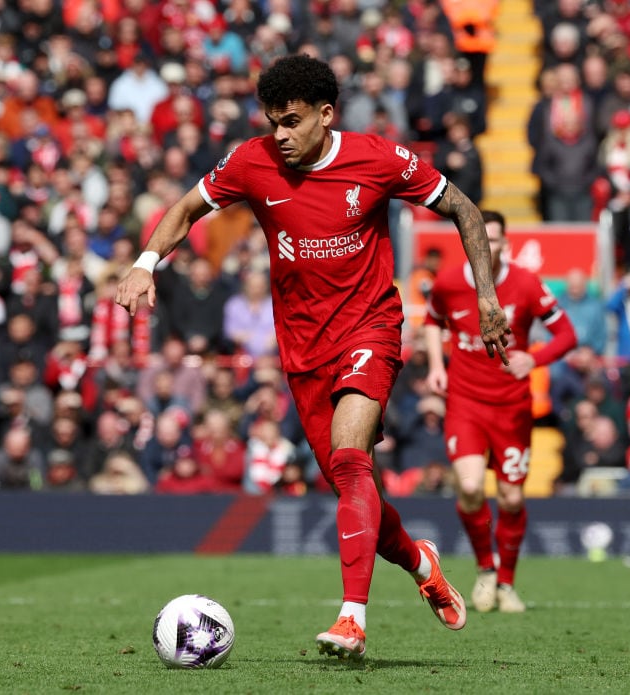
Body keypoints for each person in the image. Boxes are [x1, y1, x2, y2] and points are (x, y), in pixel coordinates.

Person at [115, 54, 511, 662]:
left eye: (292, 122)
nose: (281, 134)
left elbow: (464, 208)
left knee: (353, 462)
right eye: (273, 121)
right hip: (302, 349)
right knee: (353, 491)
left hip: (370, 329)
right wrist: (145, 264)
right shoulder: (252, 161)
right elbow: (187, 208)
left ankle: (352, 619)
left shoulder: (379, 159)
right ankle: (418, 559)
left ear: (326, 116)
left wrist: (486, 296)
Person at [424, 209, 577, 613]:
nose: (485, 245)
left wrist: (535, 359)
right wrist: (438, 367)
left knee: (510, 498)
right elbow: (431, 319)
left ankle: (507, 583)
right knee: (471, 488)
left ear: (505, 244)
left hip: (512, 406)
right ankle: (485, 571)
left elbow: (567, 334)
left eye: (493, 239)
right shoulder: (450, 282)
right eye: (479, 238)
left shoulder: (525, 284)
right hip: (465, 402)